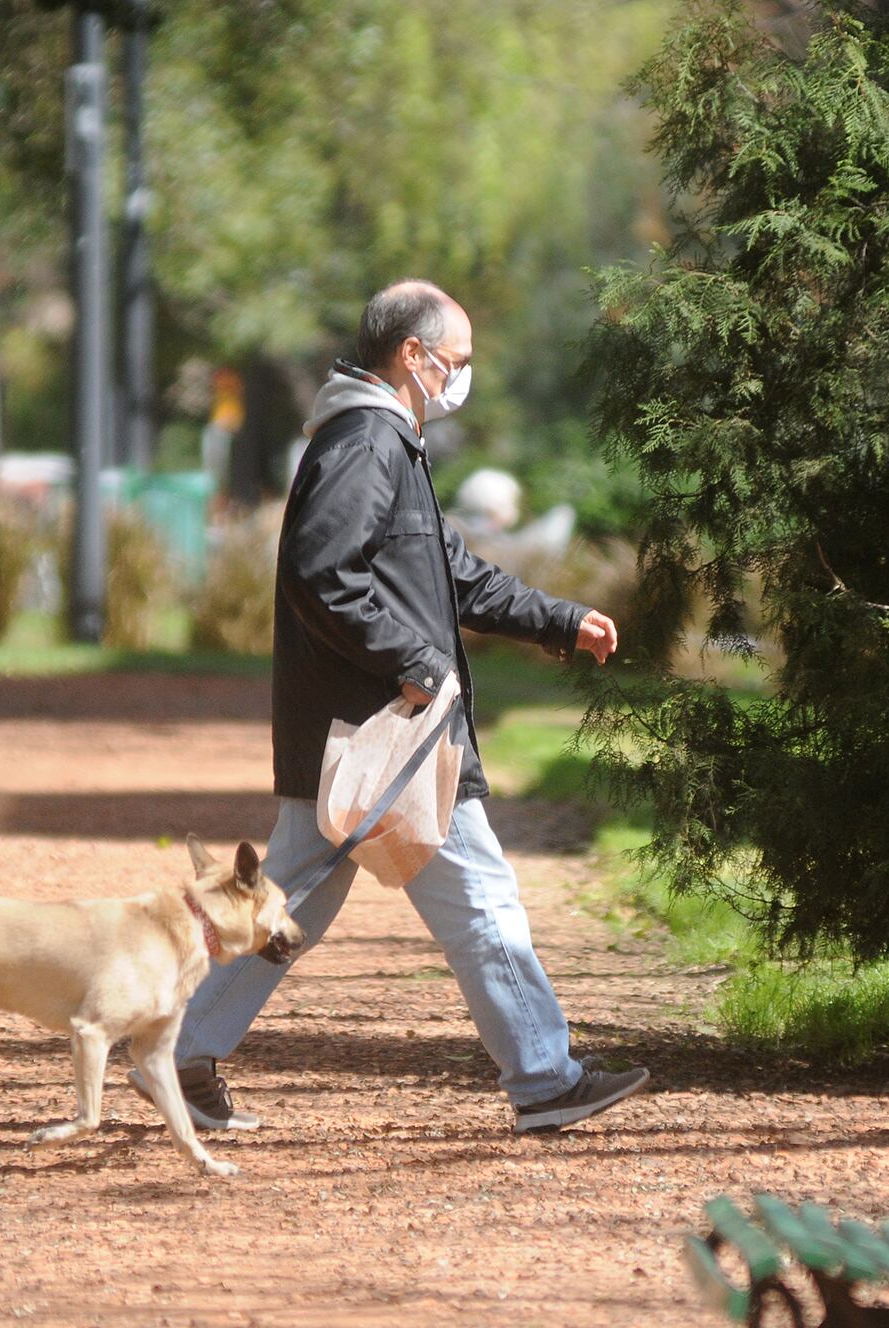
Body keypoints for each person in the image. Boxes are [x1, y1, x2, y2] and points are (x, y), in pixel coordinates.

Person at [130, 279, 649, 1135]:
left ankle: (177, 1051)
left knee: (288, 904)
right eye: (458, 360)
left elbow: (452, 575)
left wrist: (558, 621)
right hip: (386, 736)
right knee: (481, 900)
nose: (462, 376)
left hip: (349, 734)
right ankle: (546, 1080)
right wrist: (413, 662)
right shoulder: (368, 440)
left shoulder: (382, 439)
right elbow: (320, 573)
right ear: (413, 354)